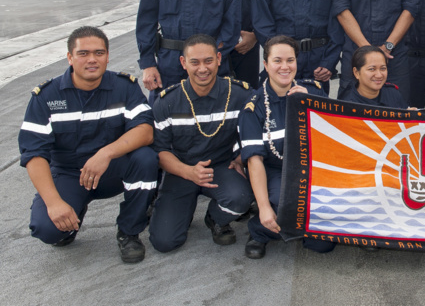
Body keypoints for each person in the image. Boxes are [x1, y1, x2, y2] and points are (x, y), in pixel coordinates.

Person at [19, 26, 158, 263]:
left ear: (107, 56)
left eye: (99, 53)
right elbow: (34, 155)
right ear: (70, 58)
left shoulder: (124, 87)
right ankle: (73, 211)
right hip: (69, 174)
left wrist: (105, 154)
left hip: (112, 170)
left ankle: (129, 232)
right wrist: (54, 204)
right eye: (83, 53)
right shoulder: (46, 97)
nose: (92, 59)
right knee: (49, 230)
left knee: (146, 159)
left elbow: (145, 132)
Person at [148, 34, 253, 253]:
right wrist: (188, 172)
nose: (202, 68)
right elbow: (161, 151)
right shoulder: (167, 102)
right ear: (183, 63)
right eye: (194, 62)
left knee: (240, 199)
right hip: (181, 170)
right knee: (165, 242)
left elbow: (265, 121)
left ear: (218, 59)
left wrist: (241, 157)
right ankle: (178, 210)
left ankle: (215, 218)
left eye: (208, 61)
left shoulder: (239, 94)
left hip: (221, 168)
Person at [238, 36, 327, 259]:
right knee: (284, 207)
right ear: (266, 65)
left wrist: (312, 105)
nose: (285, 67)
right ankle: (260, 231)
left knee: (323, 246)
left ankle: (298, 228)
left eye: (290, 60)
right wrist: (264, 206)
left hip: (312, 168)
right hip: (276, 171)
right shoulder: (253, 108)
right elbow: (254, 161)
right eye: (277, 61)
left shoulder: (313, 92)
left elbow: (334, 137)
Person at [339, 46, 408, 108]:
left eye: (383, 68)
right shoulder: (347, 104)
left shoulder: (393, 94)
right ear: (356, 72)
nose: (379, 75)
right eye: (372, 69)